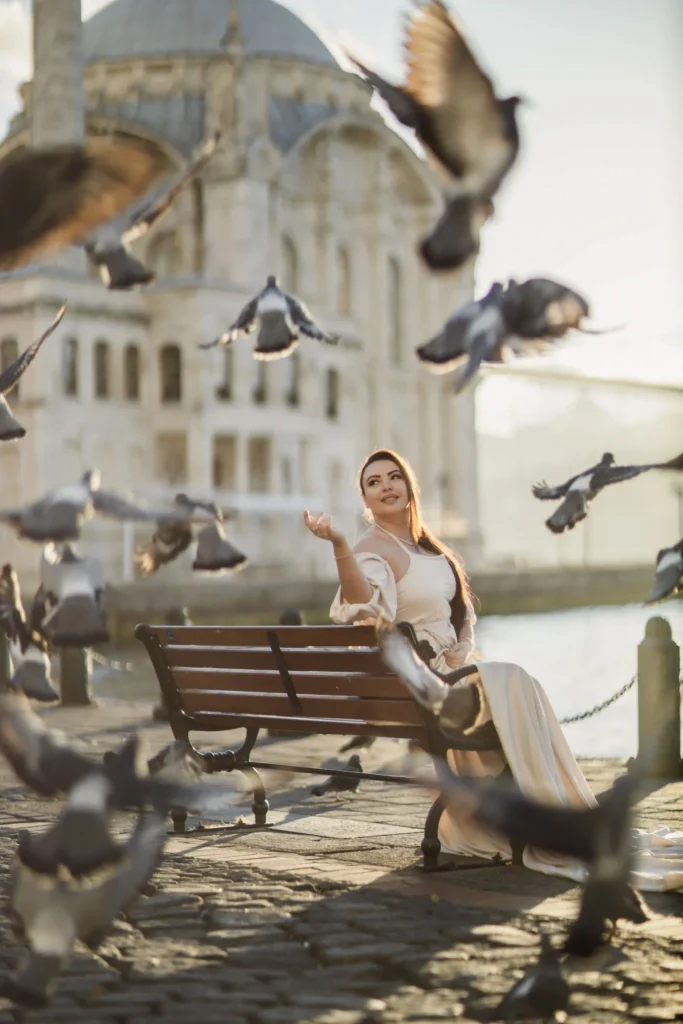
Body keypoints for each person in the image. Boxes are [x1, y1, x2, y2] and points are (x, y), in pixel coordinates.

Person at [304, 449, 683, 892]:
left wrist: (463, 645)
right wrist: (340, 545)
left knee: (516, 679)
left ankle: (544, 809)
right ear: (365, 500)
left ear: (409, 489)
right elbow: (363, 607)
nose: (386, 486)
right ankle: (547, 816)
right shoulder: (370, 548)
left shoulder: (426, 546)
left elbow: (460, 611)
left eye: (394, 477)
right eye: (374, 482)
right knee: (514, 678)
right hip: (427, 685)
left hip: (453, 672)